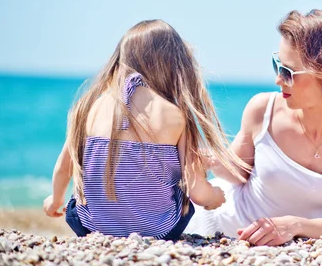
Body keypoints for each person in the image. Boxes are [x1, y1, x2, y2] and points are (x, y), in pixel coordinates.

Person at [186, 9, 322, 245]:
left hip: (284, 248)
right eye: (276, 64)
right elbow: (236, 174)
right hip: (214, 231)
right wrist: (208, 158)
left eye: (287, 72)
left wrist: (294, 226)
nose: (278, 80)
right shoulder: (263, 109)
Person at [43, 19, 246, 240]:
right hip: (159, 230)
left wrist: (55, 200)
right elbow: (196, 190)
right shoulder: (175, 114)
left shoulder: (88, 106)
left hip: (91, 225)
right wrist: (215, 196)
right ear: (174, 65)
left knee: (78, 202)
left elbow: (64, 168)